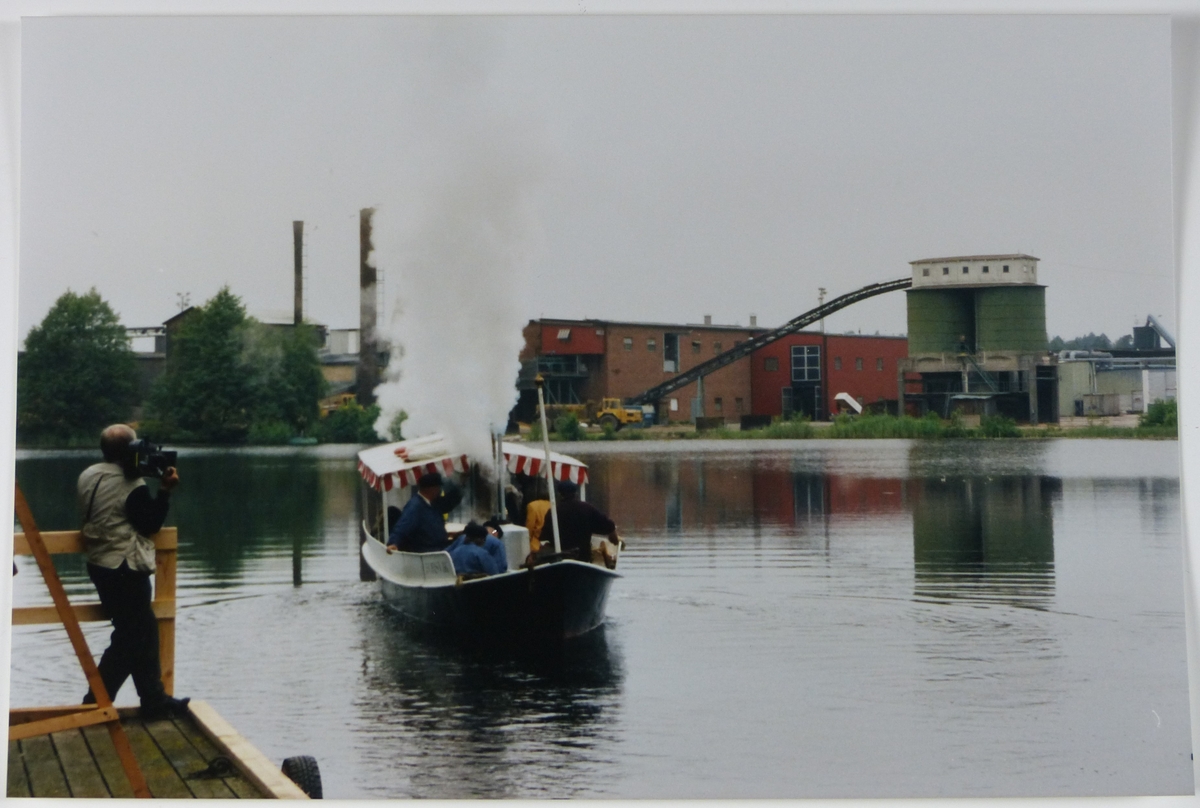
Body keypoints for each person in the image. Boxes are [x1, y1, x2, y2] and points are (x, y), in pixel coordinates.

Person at [77, 424, 189, 719]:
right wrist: (164, 491)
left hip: (100, 565)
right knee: (130, 638)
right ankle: (95, 703)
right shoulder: (131, 485)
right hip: (124, 567)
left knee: (143, 630)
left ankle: (154, 701)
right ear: (131, 451)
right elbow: (150, 524)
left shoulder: (88, 475)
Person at [542, 480, 621, 563]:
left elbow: (545, 536)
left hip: (560, 557)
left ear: (559, 494)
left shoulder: (553, 512)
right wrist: (612, 535)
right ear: (576, 493)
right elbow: (608, 525)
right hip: (583, 557)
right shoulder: (587, 508)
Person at [387, 472, 450, 553]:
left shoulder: (432, 503)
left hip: (440, 548)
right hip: (427, 552)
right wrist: (393, 542)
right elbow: (402, 526)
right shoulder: (415, 506)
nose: (439, 490)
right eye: (438, 488)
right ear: (431, 489)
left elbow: (448, 503)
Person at [524, 478, 552, 555]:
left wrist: (527, 539)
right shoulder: (553, 505)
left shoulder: (532, 505)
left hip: (537, 541)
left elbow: (530, 524)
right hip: (551, 541)